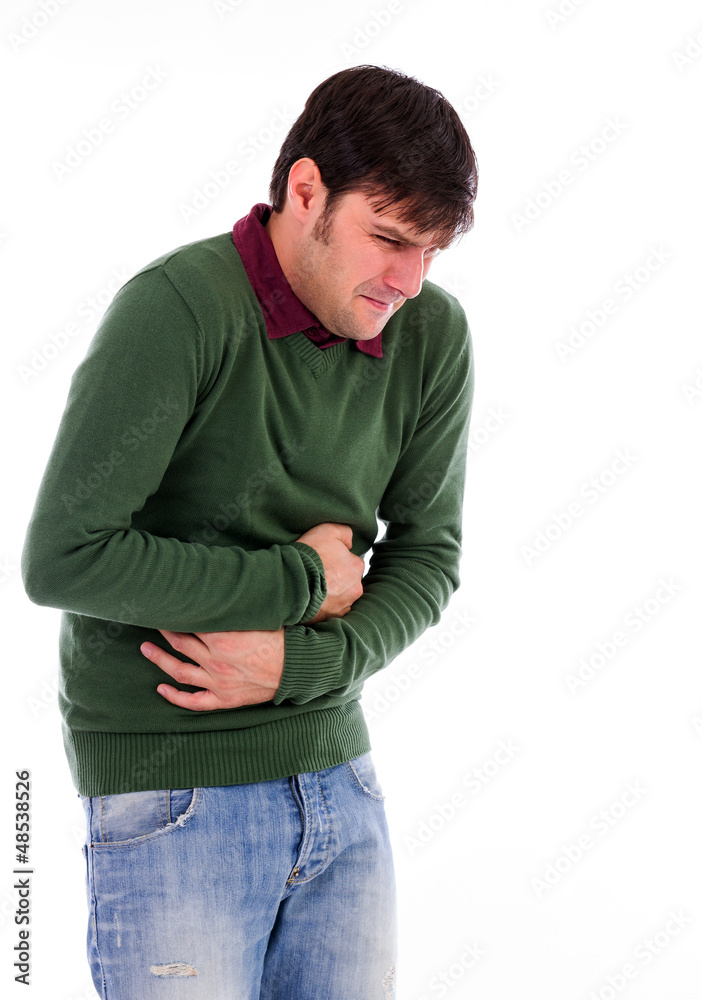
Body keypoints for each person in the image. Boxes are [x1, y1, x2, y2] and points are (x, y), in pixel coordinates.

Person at [21, 63, 478, 999]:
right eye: (389, 239)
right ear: (305, 191)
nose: (408, 281)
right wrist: (300, 581)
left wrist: (299, 665)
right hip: (173, 788)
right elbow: (64, 557)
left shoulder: (432, 334)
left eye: (431, 250)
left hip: (340, 774)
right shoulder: (178, 309)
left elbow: (429, 553)